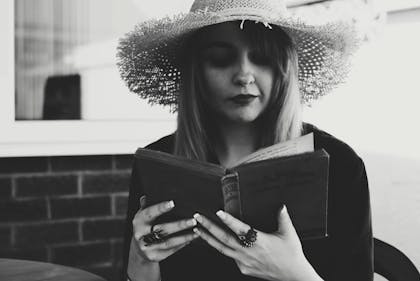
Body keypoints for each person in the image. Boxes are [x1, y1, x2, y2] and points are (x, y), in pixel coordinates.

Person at [116, 0, 373, 280]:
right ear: (195, 71)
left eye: (262, 57)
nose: (243, 75)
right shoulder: (159, 162)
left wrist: (294, 274)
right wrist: (140, 263)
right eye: (220, 59)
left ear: (284, 68)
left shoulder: (340, 165)